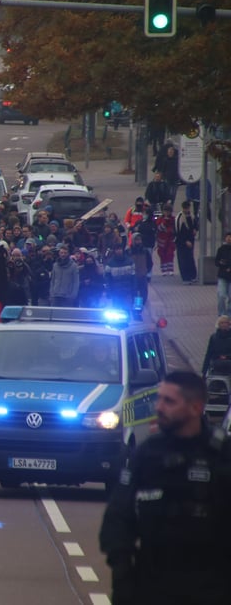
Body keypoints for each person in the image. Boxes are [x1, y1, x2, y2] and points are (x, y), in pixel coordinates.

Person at [99, 371, 231, 605]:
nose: (159, 407)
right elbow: (118, 516)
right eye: (159, 399)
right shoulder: (147, 454)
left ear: (195, 407)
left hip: (212, 586)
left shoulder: (222, 455)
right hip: (153, 584)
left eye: (169, 401)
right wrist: (122, 573)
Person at [175, 200, 197, 284]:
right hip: (181, 243)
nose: (187, 210)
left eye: (188, 208)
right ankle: (185, 277)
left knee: (190, 258)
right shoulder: (179, 217)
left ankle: (193, 276)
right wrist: (185, 241)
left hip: (191, 240)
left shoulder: (191, 216)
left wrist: (195, 229)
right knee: (183, 260)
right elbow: (177, 232)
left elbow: (195, 225)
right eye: (185, 208)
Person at [215, 232, 231, 315]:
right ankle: (221, 314)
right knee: (221, 295)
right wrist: (222, 263)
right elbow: (216, 262)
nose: (229, 239)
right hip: (222, 276)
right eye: (228, 237)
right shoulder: (221, 249)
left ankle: (229, 315)